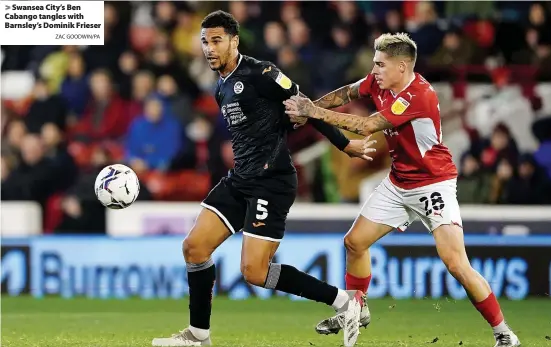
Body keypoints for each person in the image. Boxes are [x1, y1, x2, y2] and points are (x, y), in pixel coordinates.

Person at [151, 10, 376, 347]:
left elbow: (305, 106)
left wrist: (345, 145)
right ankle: (198, 336)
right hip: (241, 179)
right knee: (194, 247)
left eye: (216, 41)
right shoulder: (221, 88)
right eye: (204, 42)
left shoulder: (262, 72)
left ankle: (346, 303)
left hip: (272, 182)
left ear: (234, 41)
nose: (209, 48)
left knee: (254, 272)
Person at [284, 32, 521, 347]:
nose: (375, 70)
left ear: (402, 67)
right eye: (375, 64)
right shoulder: (380, 81)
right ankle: (359, 307)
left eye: (381, 65)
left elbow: (367, 126)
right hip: (399, 181)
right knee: (355, 242)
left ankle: (504, 333)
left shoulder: (418, 96)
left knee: (455, 263)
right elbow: (347, 93)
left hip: (433, 183)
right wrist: (310, 106)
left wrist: (312, 113)